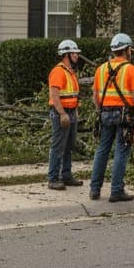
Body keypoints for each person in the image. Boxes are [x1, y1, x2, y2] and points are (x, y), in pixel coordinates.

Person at [90, 32, 134, 203]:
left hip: (105, 112)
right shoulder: (130, 69)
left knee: (102, 150)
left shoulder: (101, 69)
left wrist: (100, 110)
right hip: (124, 115)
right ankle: (116, 190)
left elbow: (95, 95)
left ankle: (95, 189)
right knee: (121, 151)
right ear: (127, 49)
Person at [46, 39, 83, 190]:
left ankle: (66, 175)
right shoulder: (58, 71)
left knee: (69, 145)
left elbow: (74, 94)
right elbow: (54, 95)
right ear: (66, 54)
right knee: (58, 146)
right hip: (61, 113)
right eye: (74, 53)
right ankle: (53, 178)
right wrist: (62, 114)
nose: (77, 56)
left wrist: (75, 111)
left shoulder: (70, 72)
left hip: (71, 112)